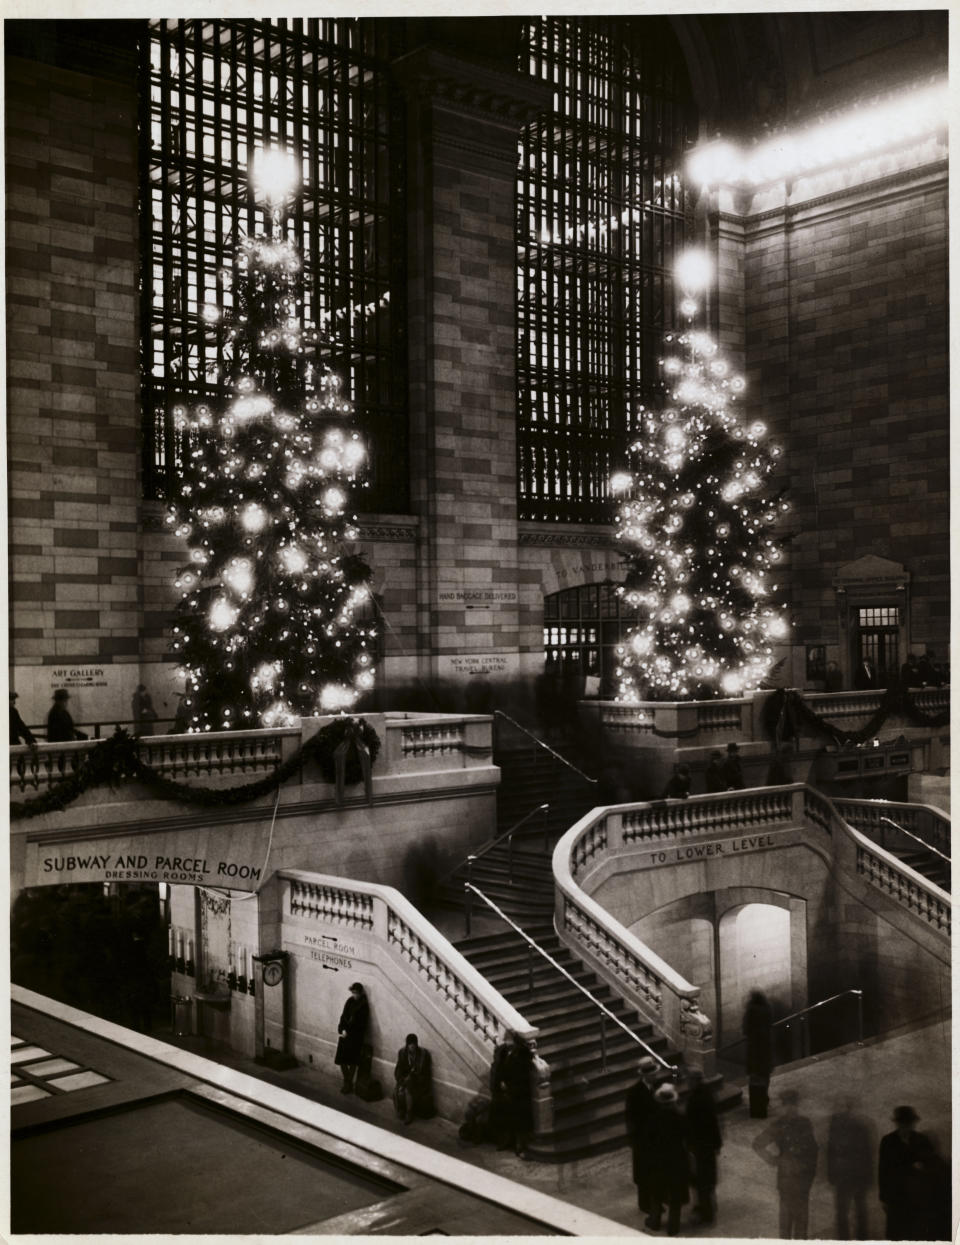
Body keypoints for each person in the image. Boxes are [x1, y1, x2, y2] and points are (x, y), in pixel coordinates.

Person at [752, 1087, 819, 1239]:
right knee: (787, 1222)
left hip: (801, 1179)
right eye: (788, 1105)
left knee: (801, 1222)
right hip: (787, 1180)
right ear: (784, 1106)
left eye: (793, 1105)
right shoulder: (779, 1125)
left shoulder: (805, 1123)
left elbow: (813, 1151)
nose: (791, 1109)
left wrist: (810, 1175)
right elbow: (757, 1144)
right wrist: (774, 1160)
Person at [878, 1105, 938, 1241]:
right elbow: (883, 1170)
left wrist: (923, 1167)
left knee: (915, 1233)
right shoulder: (887, 1141)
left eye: (909, 1123)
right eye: (903, 1123)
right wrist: (883, 1197)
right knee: (895, 1234)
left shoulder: (922, 1140)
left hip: (917, 1196)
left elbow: (932, 1165)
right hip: (895, 1196)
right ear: (898, 1123)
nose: (906, 1126)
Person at [645, 1081, 690, 1235]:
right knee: (675, 1195)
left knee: (657, 1192)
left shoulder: (654, 1118)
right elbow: (686, 1138)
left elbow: (649, 1140)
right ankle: (673, 1227)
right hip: (676, 1158)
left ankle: (654, 1221)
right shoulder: (680, 1117)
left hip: (658, 1159)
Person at [827, 1095, 873, 1240]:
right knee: (849, 1212)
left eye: (844, 1108)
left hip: (852, 1176)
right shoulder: (839, 1127)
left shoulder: (854, 1127)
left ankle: (857, 1239)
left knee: (854, 1212)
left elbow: (866, 1153)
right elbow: (831, 1152)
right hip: (848, 1176)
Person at [685, 1067, 722, 1226]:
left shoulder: (695, 1099)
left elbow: (692, 1124)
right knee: (708, 1178)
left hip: (699, 1145)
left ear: (694, 1081)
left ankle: (706, 1213)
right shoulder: (707, 1094)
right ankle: (709, 1206)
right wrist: (717, 1143)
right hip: (708, 1144)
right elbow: (714, 1120)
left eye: (689, 1080)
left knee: (701, 1179)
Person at [625, 1054, 660, 1214]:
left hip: (656, 1137)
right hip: (642, 1139)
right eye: (652, 1074)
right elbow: (630, 1118)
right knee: (643, 1172)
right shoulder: (634, 1093)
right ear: (645, 1075)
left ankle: (655, 1201)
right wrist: (635, 1139)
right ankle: (644, 1203)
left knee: (655, 1170)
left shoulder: (658, 1087)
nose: (655, 1076)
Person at [490, 1031, 534, 1156]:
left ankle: (519, 1144)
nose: (507, 1042)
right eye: (506, 1040)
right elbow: (500, 1068)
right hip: (505, 1091)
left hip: (518, 1092)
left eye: (509, 1040)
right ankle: (505, 1140)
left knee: (519, 1118)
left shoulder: (522, 1054)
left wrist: (509, 1086)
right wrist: (501, 1083)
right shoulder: (503, 1052)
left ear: (515, 1041)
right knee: (503, 1115)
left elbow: (522, 1075)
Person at [742, 989, 774, 1118]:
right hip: (765, 1047)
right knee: (765, 1075)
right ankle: (764, 1098)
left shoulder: (750, 1011)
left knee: (755, 1077)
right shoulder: (767, 1008)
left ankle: (756, 1106)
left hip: (754, 1048)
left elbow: (745, 1029)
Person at [334, 982, 369, 1094]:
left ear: (360, 993)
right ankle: (348, 1081)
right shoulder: (349, 1001)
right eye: (353, 992)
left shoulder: (364, 1005)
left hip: (356, 1038)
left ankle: (347, 1084)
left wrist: (351, 1032)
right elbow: (343, 1016)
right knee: (342, 1060)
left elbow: (362, 1024)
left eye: (356, 993)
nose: (354, 995)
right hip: (346, 1035)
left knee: (353, 1061)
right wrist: (342, 1029)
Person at [393, 1033, 434, 1124]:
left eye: (414, 1045)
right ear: (407, 1045)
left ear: (416, 1045)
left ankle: (409, 1113)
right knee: (398, 1090)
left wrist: (412, 1077)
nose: (412, 1047)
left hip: (418, 1080)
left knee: (408, 1090)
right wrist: (400, 1079)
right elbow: (398, 1068)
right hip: (405, 1079)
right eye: (410, 1045)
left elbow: (424, 1072)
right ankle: (401, 1109)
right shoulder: (402, 1052)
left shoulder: (423, 1054)